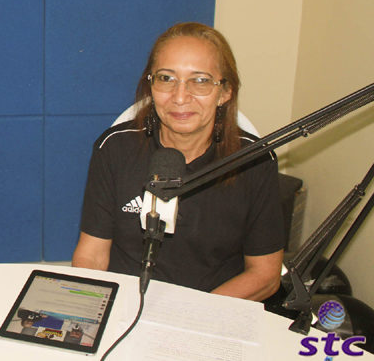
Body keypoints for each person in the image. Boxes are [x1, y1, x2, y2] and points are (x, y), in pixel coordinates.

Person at [71, 22, 284, 301]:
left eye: (200, 80)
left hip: (214, 309)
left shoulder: (254, 162)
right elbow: (92, 254)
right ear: (151, 85)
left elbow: (265, 275)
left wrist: (193, 318)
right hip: (126, 305)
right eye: (166, 78)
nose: (180, 97)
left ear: (225, 92)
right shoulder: (114, 149)